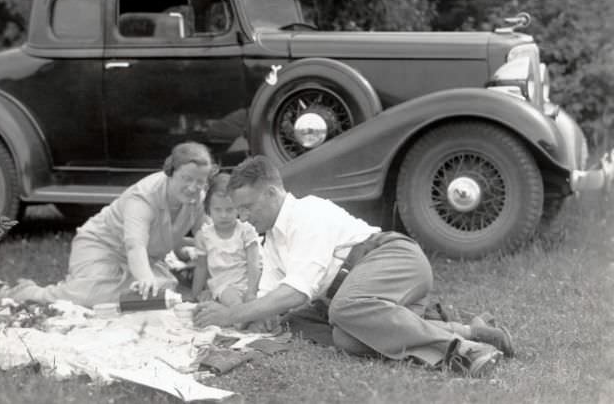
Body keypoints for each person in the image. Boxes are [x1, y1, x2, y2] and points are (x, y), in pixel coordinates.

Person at [194, 156, 514, 377]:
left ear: (273, 192)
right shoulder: (273, 239)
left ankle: (463, 350)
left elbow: (296, 291)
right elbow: (271, 300)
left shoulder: (308, 213)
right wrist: (248, 317)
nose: (244, 218)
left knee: (343, 310)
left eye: (248, 207)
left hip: (391, 257)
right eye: (240, 211)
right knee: (324, 331)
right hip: (361, 291)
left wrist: (233, 315)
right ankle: (477, 332)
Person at [5, 142, 214, 307]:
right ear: (170, 172)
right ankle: (29, 293)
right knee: (90, 297)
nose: (193, 187)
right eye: (186, 179)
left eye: (200, 181)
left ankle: (137, 284)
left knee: (165, 293)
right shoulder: (143, 199)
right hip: (102, 246)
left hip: (145, 258)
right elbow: (135, 246)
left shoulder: (197, 197)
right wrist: (145, 279)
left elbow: (201, 231)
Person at [190, 173, 262, 307]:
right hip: (224, 286)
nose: (223, 215)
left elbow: (254, 264)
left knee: (263, 300)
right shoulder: (205, 235)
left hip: (251, 282)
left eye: (229, 210)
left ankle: (246, 315)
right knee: (232, 300)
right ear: (208, 209)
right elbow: (201, 267)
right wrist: (195, 295)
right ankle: (241, 317)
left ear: (238, 208)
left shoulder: (246, 231)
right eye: (217, 210)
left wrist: (251, 293)